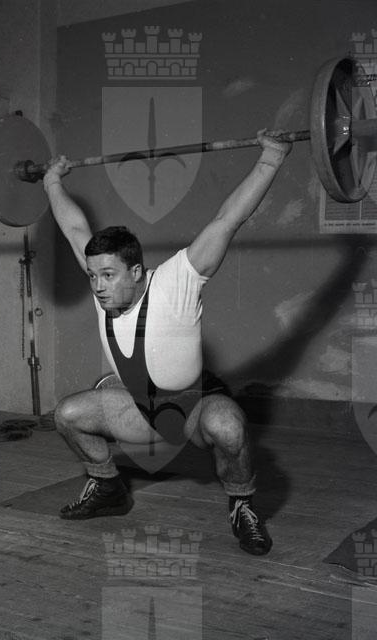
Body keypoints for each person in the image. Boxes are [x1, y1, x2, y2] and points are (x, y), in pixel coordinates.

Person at [43, 130, 291, 556]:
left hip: (192, 406)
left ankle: (242, 506)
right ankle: (108, 488)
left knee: (229, 426)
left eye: (108, 276)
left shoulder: (178, 280)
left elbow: (226, 220)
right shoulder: (104, 281)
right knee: (68, 414)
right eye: (93, 275)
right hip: (138, 408)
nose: (98, 286)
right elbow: (74, 226)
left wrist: (271, 158)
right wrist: (52, 181)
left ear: (137, 272)